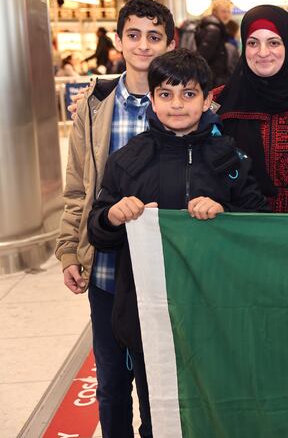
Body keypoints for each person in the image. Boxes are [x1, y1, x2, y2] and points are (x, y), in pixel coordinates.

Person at [86, 49, 267, 436]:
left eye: (188, 94)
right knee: (158, 415)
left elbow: (258, 223)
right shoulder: (127, 161)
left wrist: (224, 211)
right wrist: (113, 215)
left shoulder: (230, 159)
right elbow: (97, 231)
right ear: (152, 100)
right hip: (148, 318)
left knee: (215, 410)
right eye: (165, 94)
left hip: (216, 314)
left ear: (206, 99)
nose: (177, 104)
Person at [55, 0, 175, 438]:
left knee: (158, 385)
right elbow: (78, 188)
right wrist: (69, 250)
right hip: (106, 267)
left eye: (154, 36)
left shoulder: (185, 104)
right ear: (119, 41)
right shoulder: (93, 105)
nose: (143, 45)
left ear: (170, 43)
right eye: (134, 35)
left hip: (162, 271)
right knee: (110, 384)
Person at [212, 5, 288, 213]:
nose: (263, 53)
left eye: (273, 42)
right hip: (234, 227)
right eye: (253, 43)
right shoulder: (216, 103)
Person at [195, 0, 235, 87]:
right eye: (223, 11)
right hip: (213, 80)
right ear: (214, 12)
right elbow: (203, 56)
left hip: (213, 78)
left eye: (228, 12)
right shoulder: (213, 30)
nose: (226, 15)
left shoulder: (214, 27)